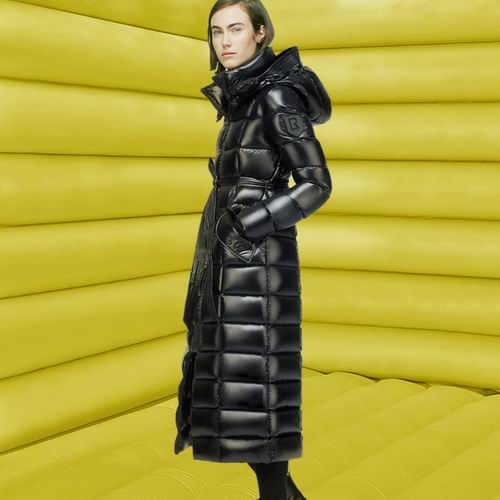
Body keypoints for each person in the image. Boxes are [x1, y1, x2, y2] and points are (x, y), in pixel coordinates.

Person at [174, 1, 333, 499]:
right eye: (216, 31)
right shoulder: (241, 96)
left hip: (258, 264)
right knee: (240, 395)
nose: (225, 41)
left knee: (257, 396)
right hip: (231, 260)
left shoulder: (275, 96)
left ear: (261, 34)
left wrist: (245, 227)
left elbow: (316, 184)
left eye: (236, 29)